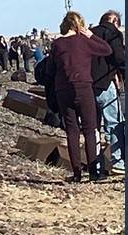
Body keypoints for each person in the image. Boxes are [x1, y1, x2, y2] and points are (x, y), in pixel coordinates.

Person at [47, 11, 112, 182]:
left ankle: (76, 173)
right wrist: (91, 35)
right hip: (83, 87)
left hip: (63, 90)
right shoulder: (84, 41)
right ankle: (93, 173)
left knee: (72, 131)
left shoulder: (57, 44)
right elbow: (107, 50)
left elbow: (50, 70)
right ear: (79, 25)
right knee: (90, 129)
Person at [91, 10, 126, 175]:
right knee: (114, 122)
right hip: (106, 83)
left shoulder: (88, 34)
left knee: (93, 127)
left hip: (87, 85)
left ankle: (96, 167)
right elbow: (119, 58)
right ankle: (118, 161)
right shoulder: (113, 34)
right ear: (116, 22)